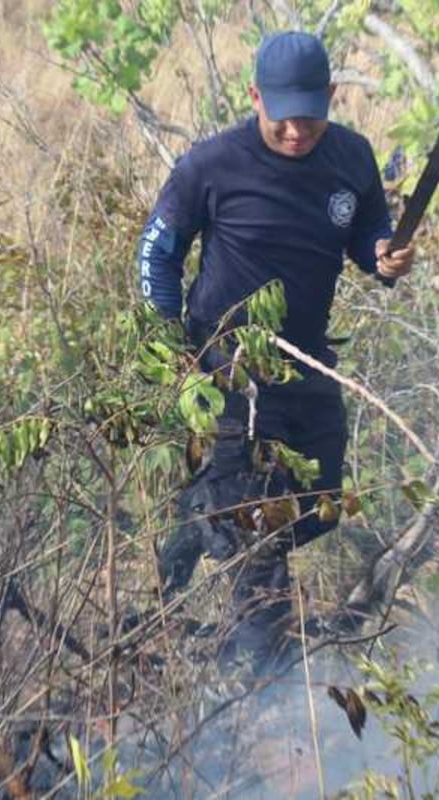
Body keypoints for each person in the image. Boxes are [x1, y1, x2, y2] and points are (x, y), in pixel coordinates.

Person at [136, 31, 415, 672]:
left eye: (310, 116)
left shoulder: (352, 157)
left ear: (332, 99)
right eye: (281, 116)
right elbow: (158, 252)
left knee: (320, 505)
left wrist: (385, 256)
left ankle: (196, 524)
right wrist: (174, 344)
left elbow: (370, 235)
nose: (296, 132)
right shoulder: (209, 166)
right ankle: (256, 683)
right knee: (254, 531)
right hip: (226, 370)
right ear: (254, 96)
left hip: (306, 363)